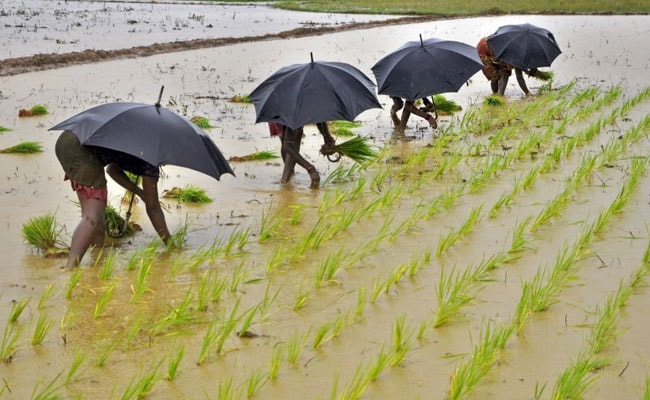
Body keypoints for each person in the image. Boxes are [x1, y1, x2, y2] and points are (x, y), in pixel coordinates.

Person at [55, 130, 108, 268]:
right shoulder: (142, 146)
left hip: (67, 141)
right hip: (80, 150)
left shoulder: (132, 130)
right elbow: (113, 170)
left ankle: (98, 257)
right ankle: (70, 267)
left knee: (97, 217)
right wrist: (140, 192)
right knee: (92, 218)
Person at [97, 149, 171, 244]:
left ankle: (169, 243)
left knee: (152, 204)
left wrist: (140, 193)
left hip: (134, 152)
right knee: (153, 205)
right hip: (147, 158)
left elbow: (111, 170)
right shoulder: (151, 157)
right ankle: (170, 244)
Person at [268, 121, 335, 189]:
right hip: (285, 117)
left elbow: (319, 118)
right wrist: (311, 169)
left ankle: (288, 176)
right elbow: (287, 146)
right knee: (293, 136)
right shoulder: (293, 118)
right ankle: (285, 182)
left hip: (284, 117)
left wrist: (327, 137)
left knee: (287, 137)